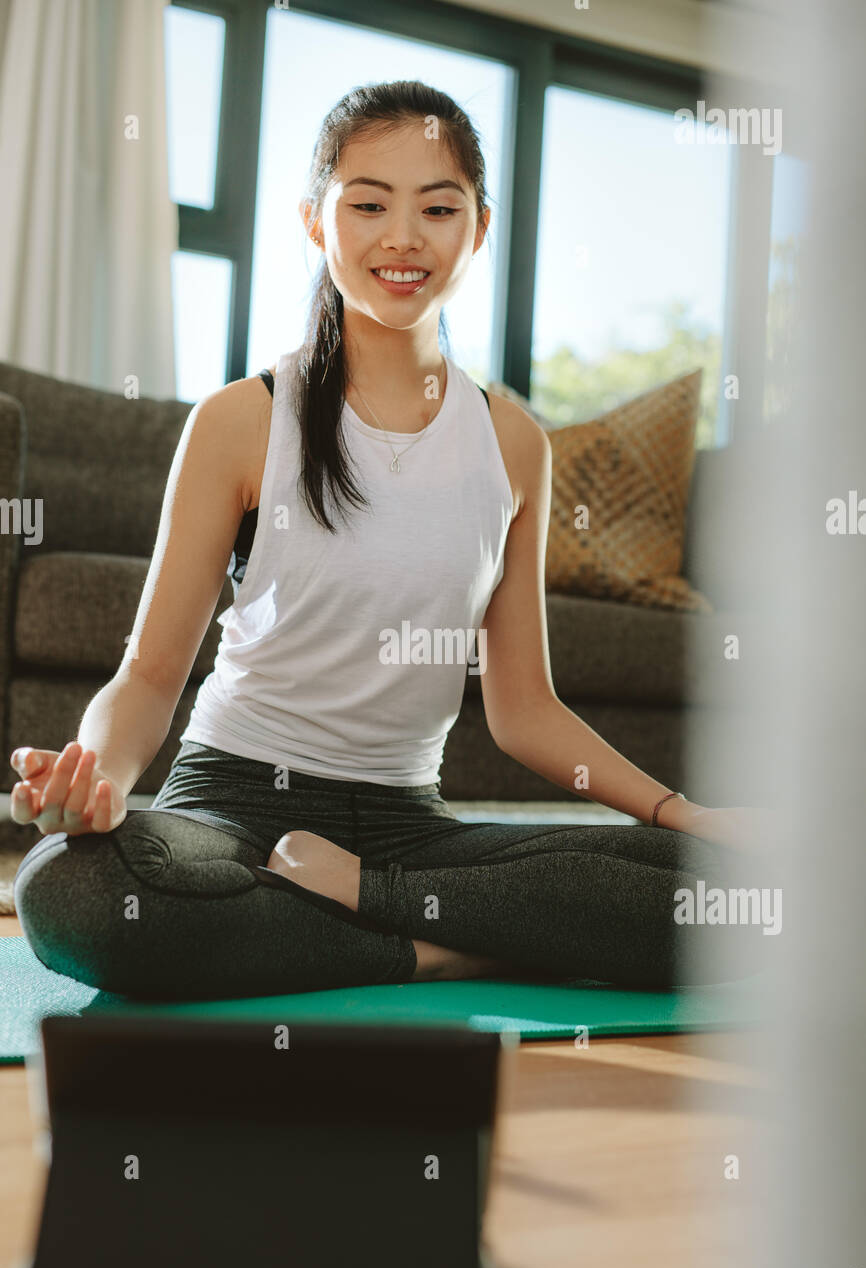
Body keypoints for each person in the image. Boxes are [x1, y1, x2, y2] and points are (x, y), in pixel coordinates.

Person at [11, 81, 773, 1002]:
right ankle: (445, 943)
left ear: (478, 229)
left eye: (438, 208)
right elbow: (147, 676)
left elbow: (525, 709)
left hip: (408, 828)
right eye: (368, 203)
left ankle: (378, 901)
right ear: (315, 221)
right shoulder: (241, 420)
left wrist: (683, 814)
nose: (402, 237)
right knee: (72, 888)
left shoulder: (515, 443)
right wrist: (100, 780)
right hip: (231, 808)